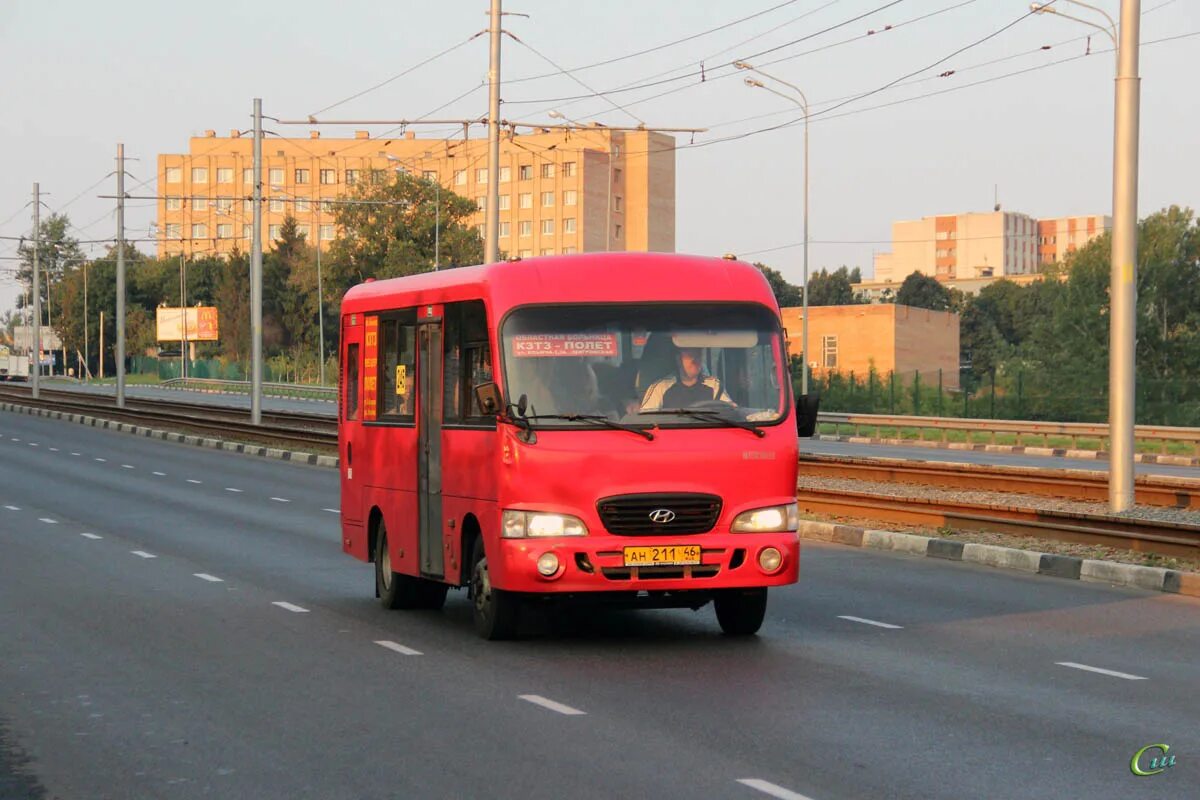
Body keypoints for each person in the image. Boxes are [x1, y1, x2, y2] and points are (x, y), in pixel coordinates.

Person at [639, 346, 732, 411]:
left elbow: (732, 412)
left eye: (698, 355)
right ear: (678, 359)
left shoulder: (715, 385)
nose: (695, 360)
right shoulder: (660, 387)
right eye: (690, 355)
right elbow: (645, 420)